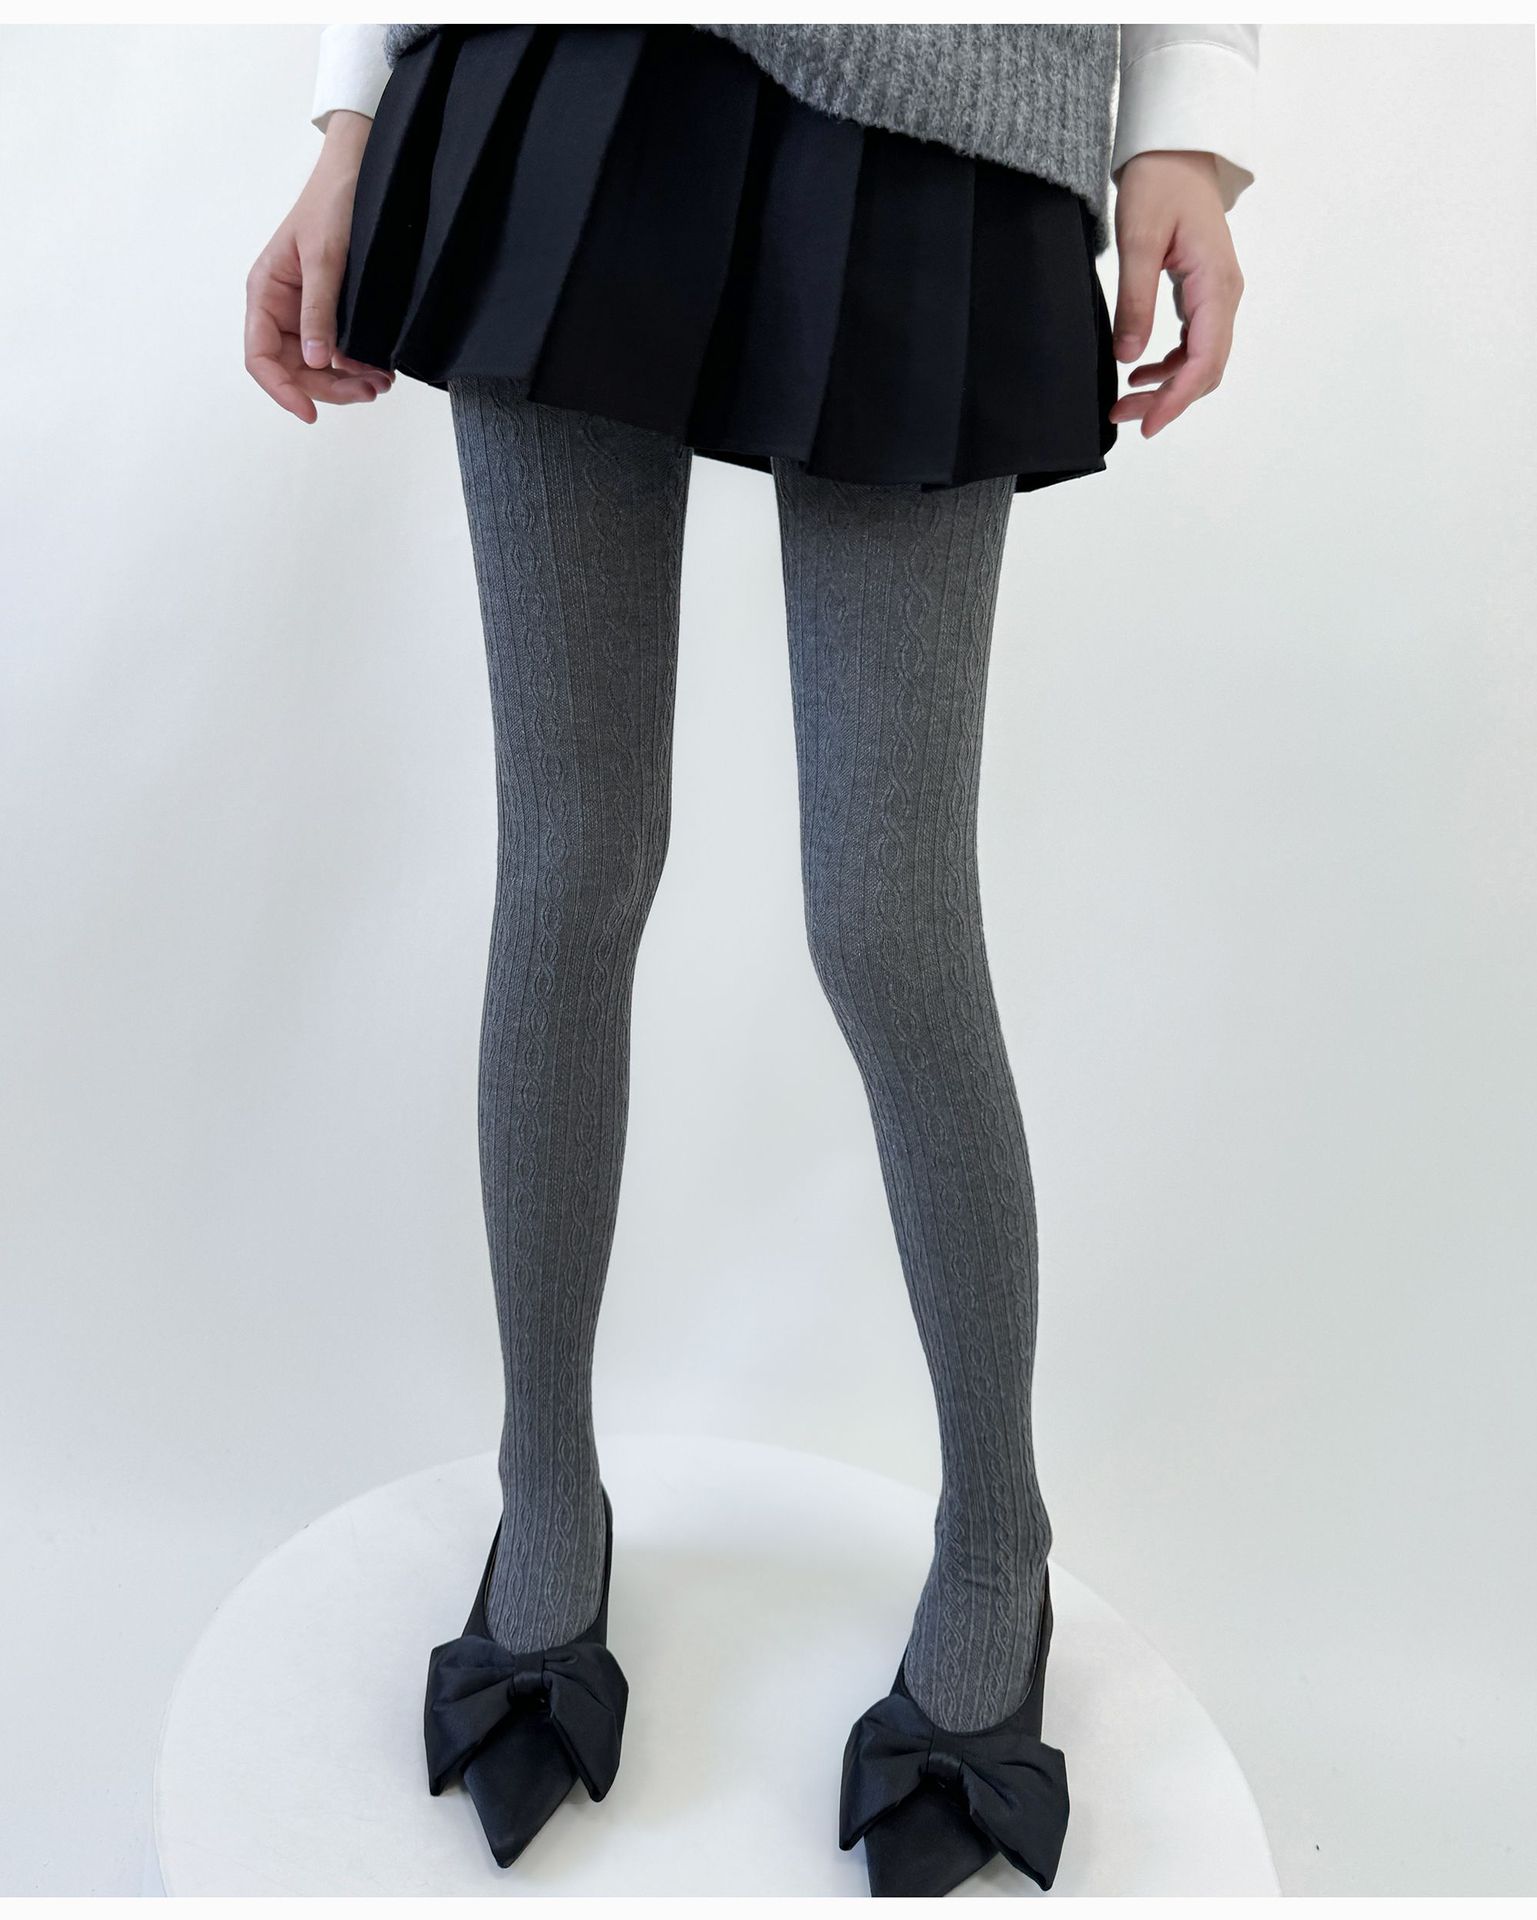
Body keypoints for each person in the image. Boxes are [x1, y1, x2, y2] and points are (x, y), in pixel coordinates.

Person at [245, 22, 1256, 1897]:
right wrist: (352, 108)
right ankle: (543, 1493)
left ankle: (995, 1540)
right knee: (569, 865)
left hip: (946, 124)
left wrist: (1180, 129)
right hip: (572, 77)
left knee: (888, 921)